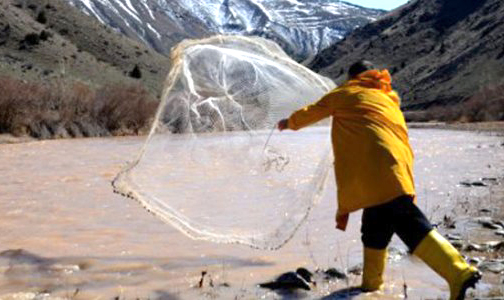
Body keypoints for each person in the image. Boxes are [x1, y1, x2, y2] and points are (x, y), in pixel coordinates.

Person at [277, 60, 481, 299]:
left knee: (410, 226)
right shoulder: (387, 99)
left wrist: (288, 123)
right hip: (397, 170)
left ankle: (460, 272)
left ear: (352, 77)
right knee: (374, 227)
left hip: (377, 173)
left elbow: (312, 112)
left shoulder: (345, 93)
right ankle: (372, 288)